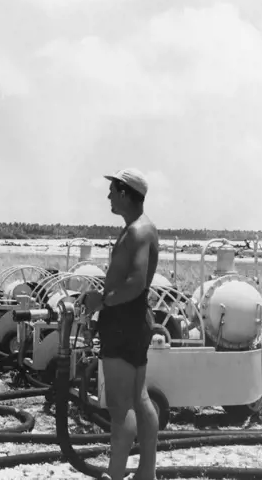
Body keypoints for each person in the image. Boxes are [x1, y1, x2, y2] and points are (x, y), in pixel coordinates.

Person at [83, 168, 159, 480]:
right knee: (140, 398)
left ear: (125, 193)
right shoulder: (144, 228)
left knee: (120, 406)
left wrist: (102, 302)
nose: (108, 196)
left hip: (123, 320)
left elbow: (136, 282)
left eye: (113, 191)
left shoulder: (137, 232)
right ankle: (146, 473)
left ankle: (115, 476)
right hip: (134, 317)